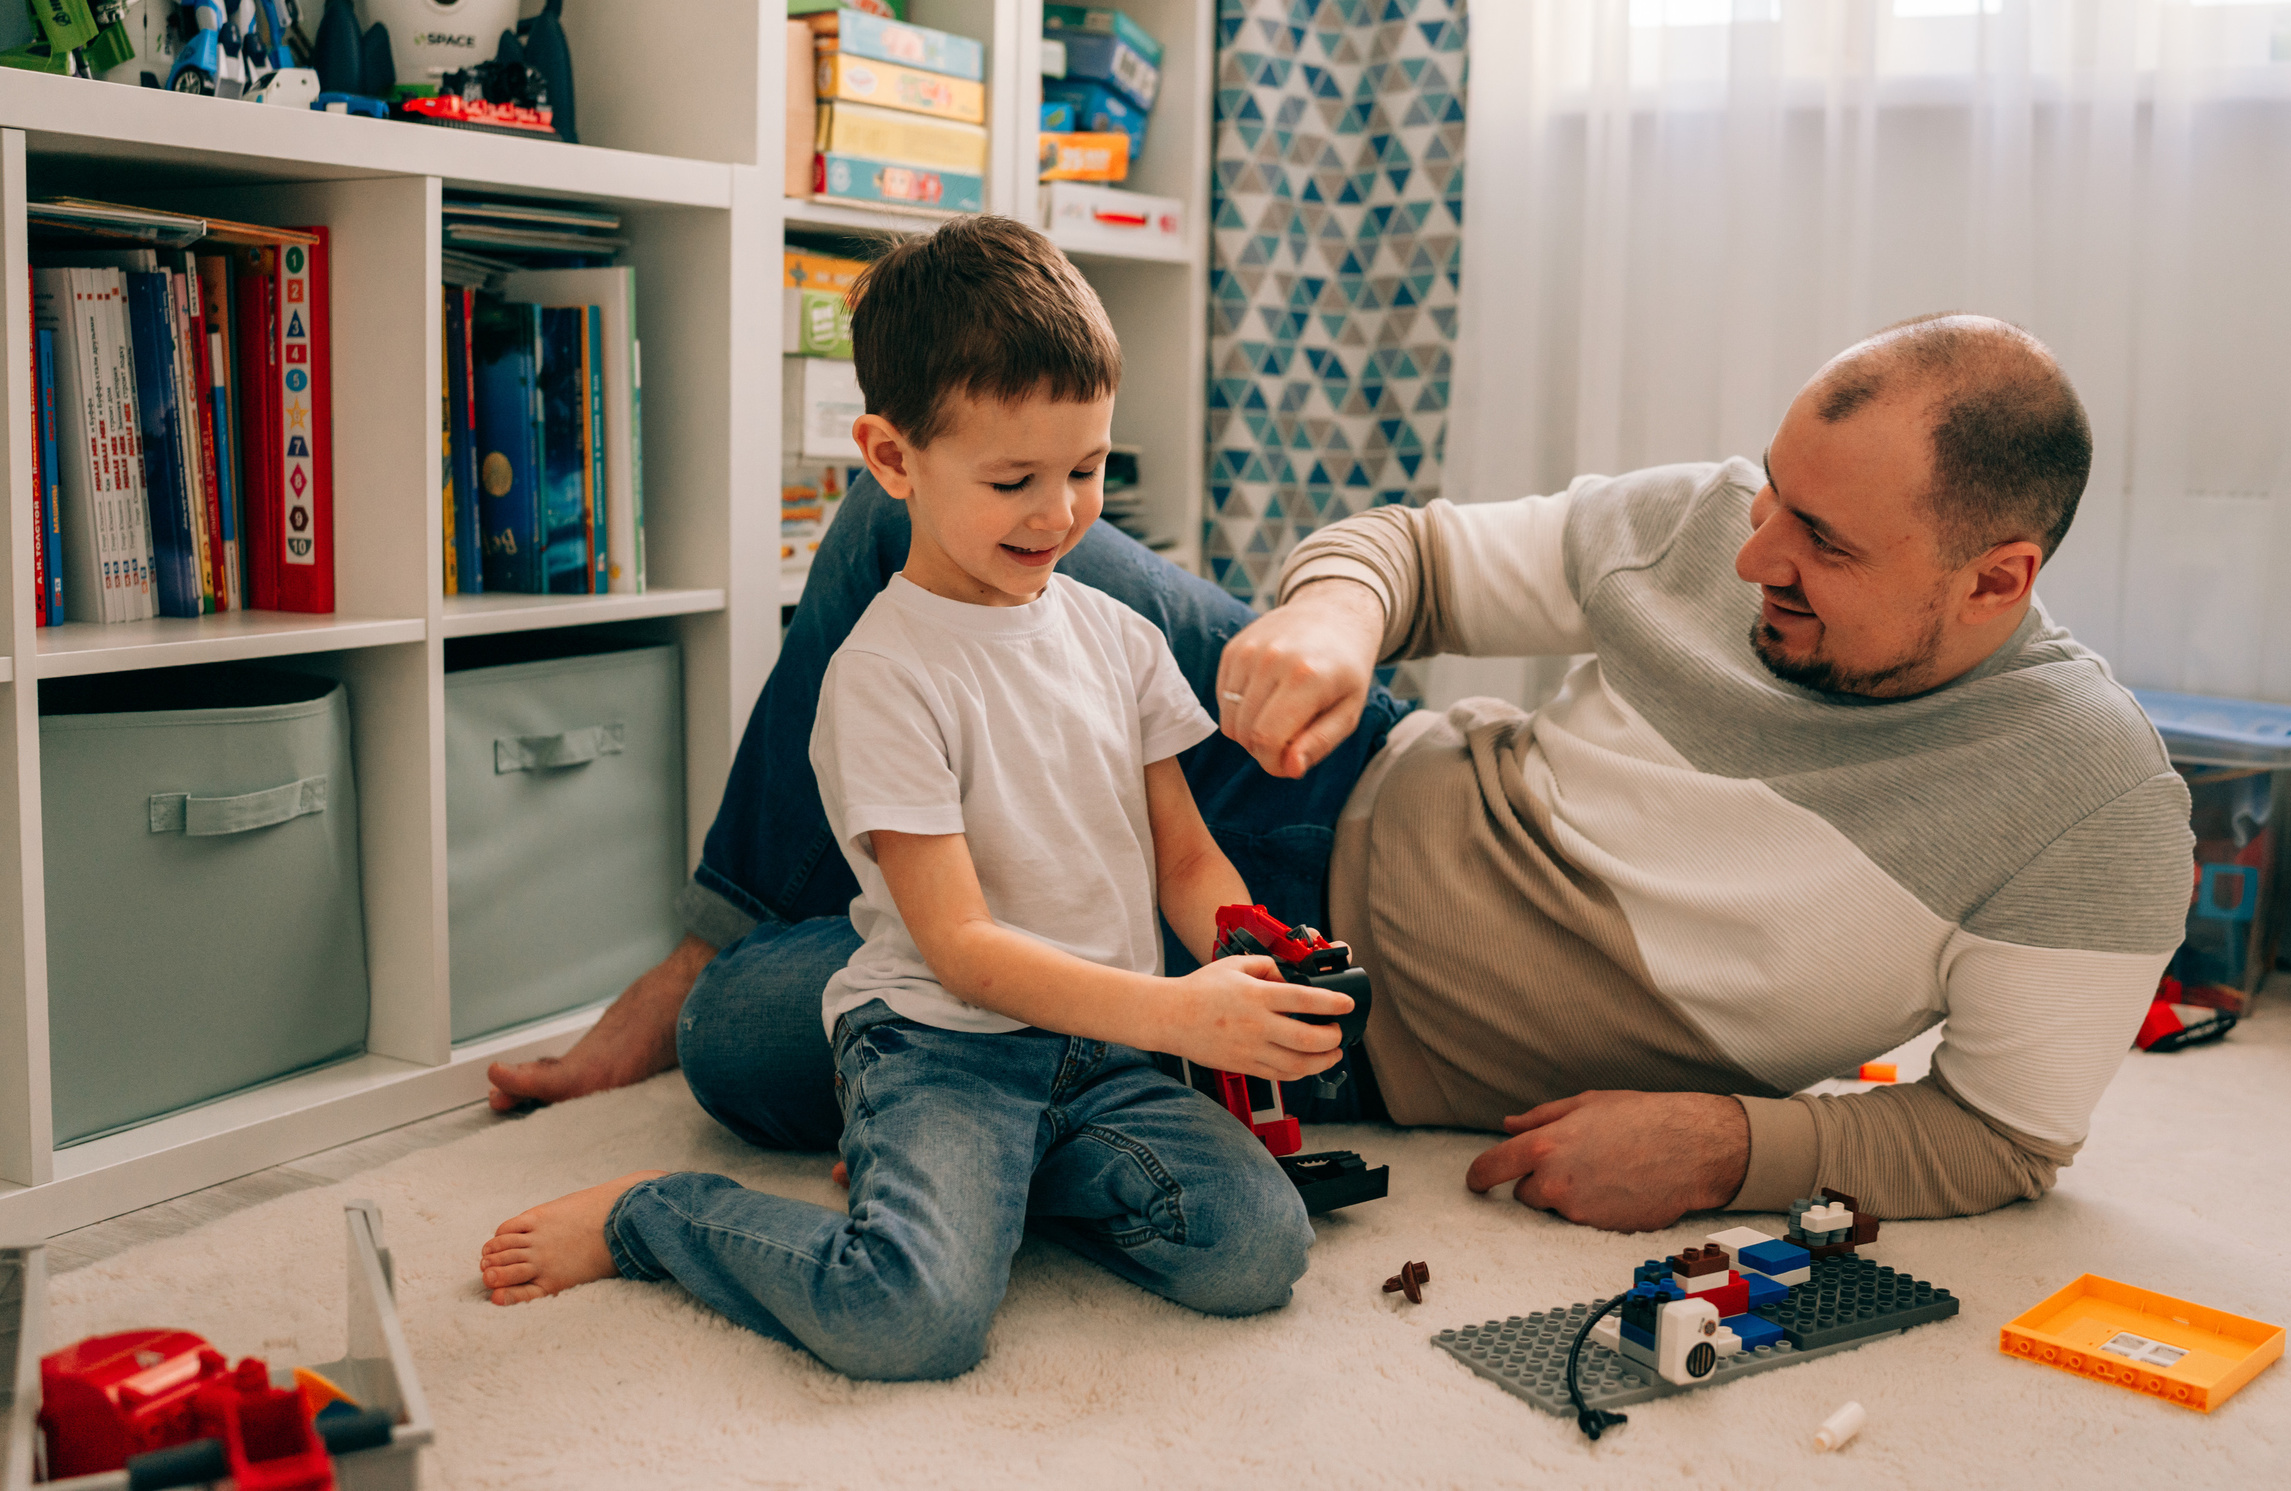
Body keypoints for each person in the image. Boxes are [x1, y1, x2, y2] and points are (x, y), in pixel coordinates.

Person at [490, 306, 2193, 1231]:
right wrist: (1325, 617)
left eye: (1817, 542)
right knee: (908, 513)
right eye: (1766, 494)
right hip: (1322, 773)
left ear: (1997, 578)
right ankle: (717, 926)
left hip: (1335, 1016)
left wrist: (1737, 1149)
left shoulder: (2090, 805)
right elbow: (1416, 553)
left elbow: (1998, 1138)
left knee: (750, 1055)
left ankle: (819, 992)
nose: (1752, 555)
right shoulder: (1707, 524)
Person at [476, 220, 1345, 1378]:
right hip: (944, 1046)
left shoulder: (1120, 637)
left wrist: (1240, 946)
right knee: (912, 1320)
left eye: (1085, 470)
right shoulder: (884, 675)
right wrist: (1176, 1015)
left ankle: (981, 1188)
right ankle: (657, 1212)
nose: (1060, 514)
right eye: (1013, 481)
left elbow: (1183, 858)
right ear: (892, 461)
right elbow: (964, 949)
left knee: (1257, 1252)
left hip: (1100, 1051)